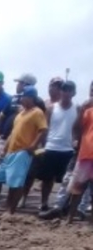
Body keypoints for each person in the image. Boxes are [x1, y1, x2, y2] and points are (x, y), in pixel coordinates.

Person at [0, 86, 47, 214]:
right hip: (11, 150)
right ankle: (5, 206)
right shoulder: (20, 114)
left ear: (30, 98)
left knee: (16, 182)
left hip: (23, 151)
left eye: (24, 96)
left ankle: (11, 209)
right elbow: (13, 133)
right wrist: (5, 149)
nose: (21, 99)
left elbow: (43, 129)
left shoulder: (37, 112)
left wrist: (33, 145)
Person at [35, 80, 77, 212]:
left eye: (69, 90)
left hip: (68, 149)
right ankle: (44, 203)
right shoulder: (51, 108)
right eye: (64, 89)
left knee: (66, 181)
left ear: (74, 93)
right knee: (47, 179)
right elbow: (44, 128)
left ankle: (63, 205)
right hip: (51, 147)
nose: (66, 92)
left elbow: (78, 128)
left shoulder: (78, 109)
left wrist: (76, 141)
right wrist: (41, 145)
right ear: (61, 91)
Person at [64, 95, 93, 224]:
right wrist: (82, 110)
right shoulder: (88, 111)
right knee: (77, 188)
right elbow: (76, 127)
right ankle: (70, 217)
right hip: (86, 154)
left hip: (86, 154)